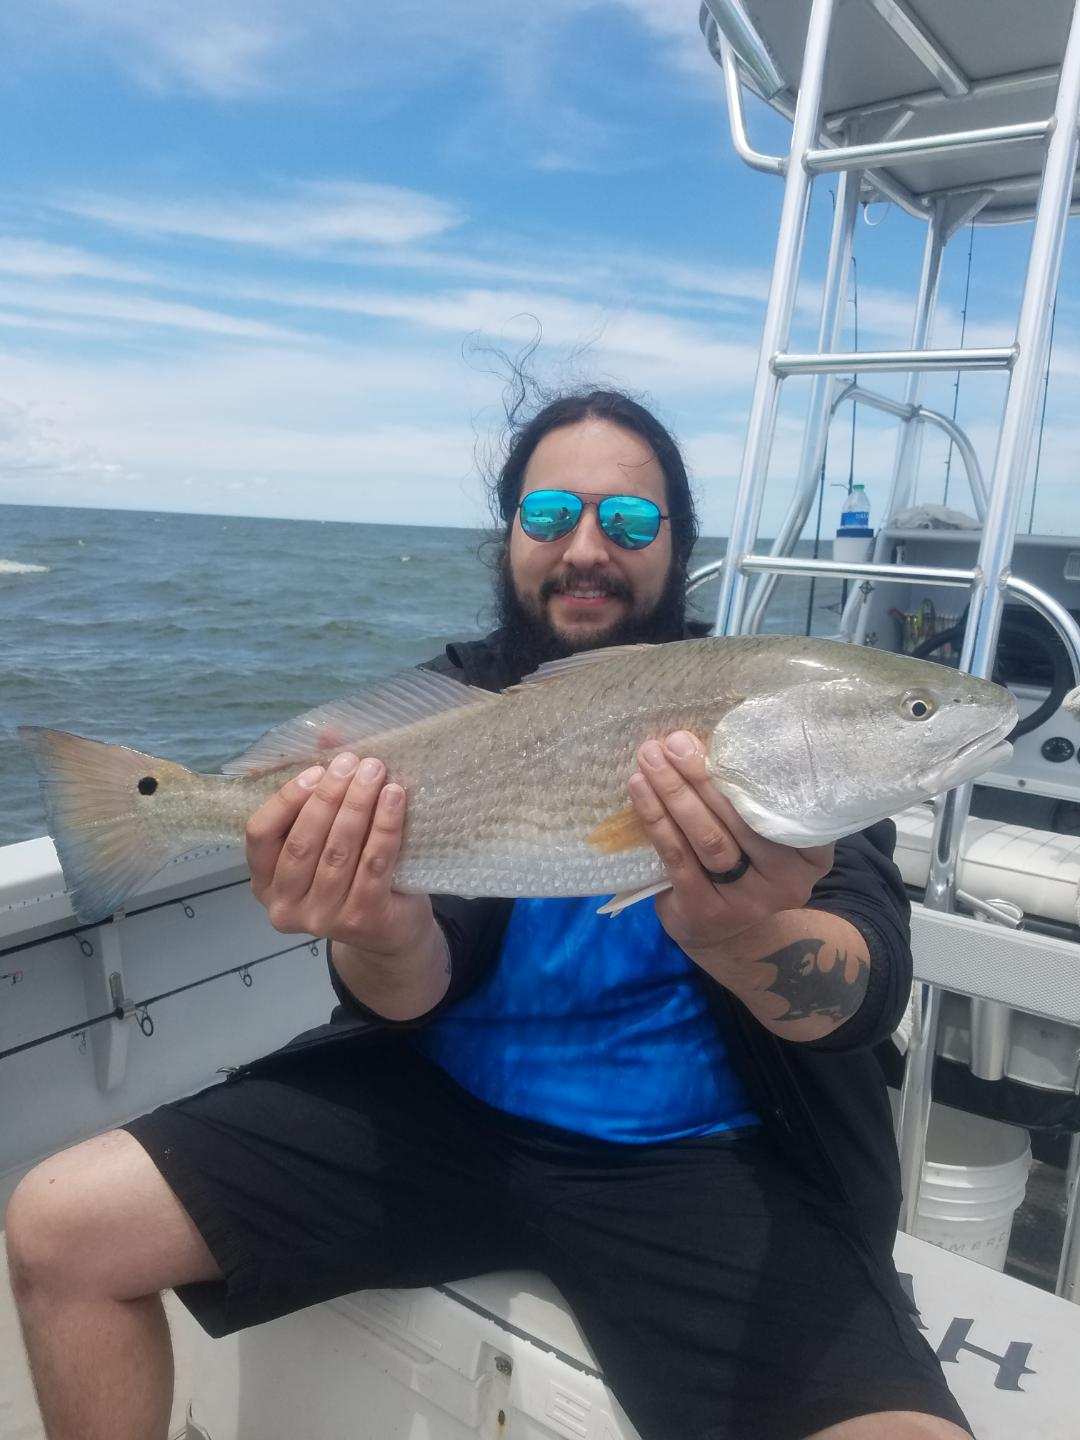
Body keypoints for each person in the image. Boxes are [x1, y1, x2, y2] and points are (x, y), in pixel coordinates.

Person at [5, 389, 973, 1440]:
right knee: (57, 1227)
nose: (589, 546)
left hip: (705, 1163)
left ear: (680, 546)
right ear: (511, 533)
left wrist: (742, 934)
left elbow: (861, 985)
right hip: (439, 1115)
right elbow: (412, 989)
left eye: (633, 521)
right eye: (552, 514)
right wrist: (373, 924)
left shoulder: (772, 713)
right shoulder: (448, 707)